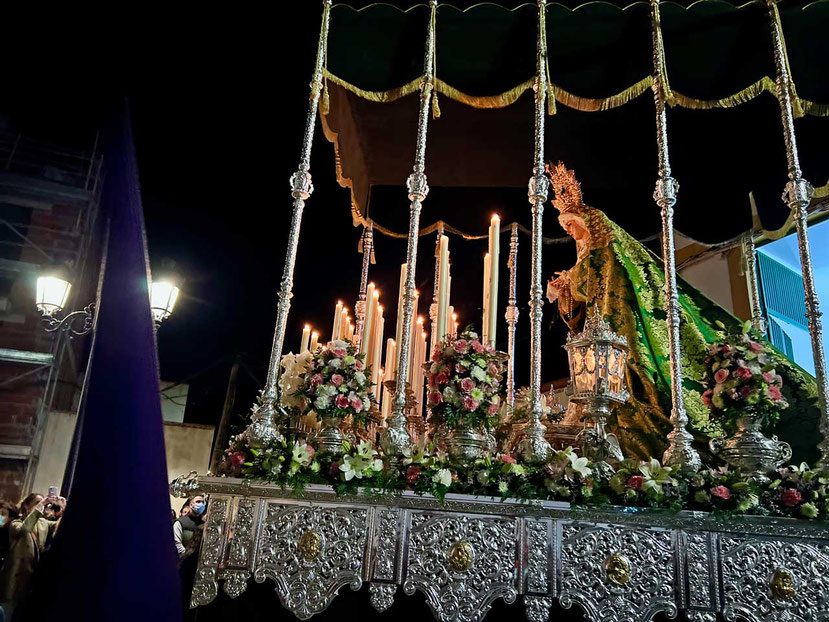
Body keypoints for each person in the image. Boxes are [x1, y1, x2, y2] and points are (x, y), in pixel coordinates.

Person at [545, 162, 820, 461]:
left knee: (644, 383)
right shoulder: (588, 255)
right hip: (603, 337)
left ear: (590, 223)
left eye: (572, 225)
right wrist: (566, 293)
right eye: (567, 228)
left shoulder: (604, 249)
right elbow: (581, 306)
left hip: (626, 329)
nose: (570, 232)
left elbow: (595, 280)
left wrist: (568, 283)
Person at [0, 494, 64, 621]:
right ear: (27, 505)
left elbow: (59, 527)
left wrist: (65, 508)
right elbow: (24, 530)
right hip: (14, 580)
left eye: (42, 503)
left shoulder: (43, 523)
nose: (41, 506)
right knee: (6, 614)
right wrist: (41, 505)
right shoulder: (16, 523)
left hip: (30, 581)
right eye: (36, 503)